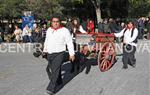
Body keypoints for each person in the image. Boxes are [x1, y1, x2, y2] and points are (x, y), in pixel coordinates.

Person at [43, 14, 75, 95]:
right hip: (50, 53)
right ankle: (59, 81)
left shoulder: (64, 30)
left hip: (59, 53)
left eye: (57, 22)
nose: (55, 23)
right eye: (54, 22)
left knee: (55, 71)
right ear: (51, 22)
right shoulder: (49, 30)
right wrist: (44, 50)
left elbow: (69, 42)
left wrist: (72, 54)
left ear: (60, 22)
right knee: (53, 69)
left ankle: (51, 88)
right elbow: (47, 41)